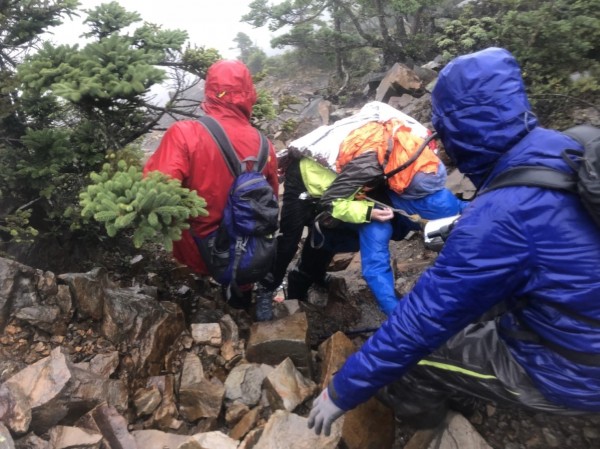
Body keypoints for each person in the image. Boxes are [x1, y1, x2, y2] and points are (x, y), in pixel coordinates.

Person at [307, 47, 600, 437]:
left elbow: (422, 321)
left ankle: (431, 430)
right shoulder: (566, 146)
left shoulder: (499, 216)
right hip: (582, 320)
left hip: (575, 369)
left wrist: (342, 389)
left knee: (416, 358)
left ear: (457, 129)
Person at [258, 101, 466, 315]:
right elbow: (332, 201)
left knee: (327, 229)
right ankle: (268, 289)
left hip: (341, 179)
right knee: (290, 239)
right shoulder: (369, 168)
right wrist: (367, 212)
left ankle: (314, 274)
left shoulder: (416, 148)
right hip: (306, 177)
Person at [143, 60, 279, 321]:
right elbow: (270, 202)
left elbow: (156, 191)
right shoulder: (265, 144)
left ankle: (204, 304)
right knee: (240, 280)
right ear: (250, 94)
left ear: (209, 92)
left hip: (198, 249)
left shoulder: (185, 133)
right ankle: (241, 301)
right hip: (249, 248)